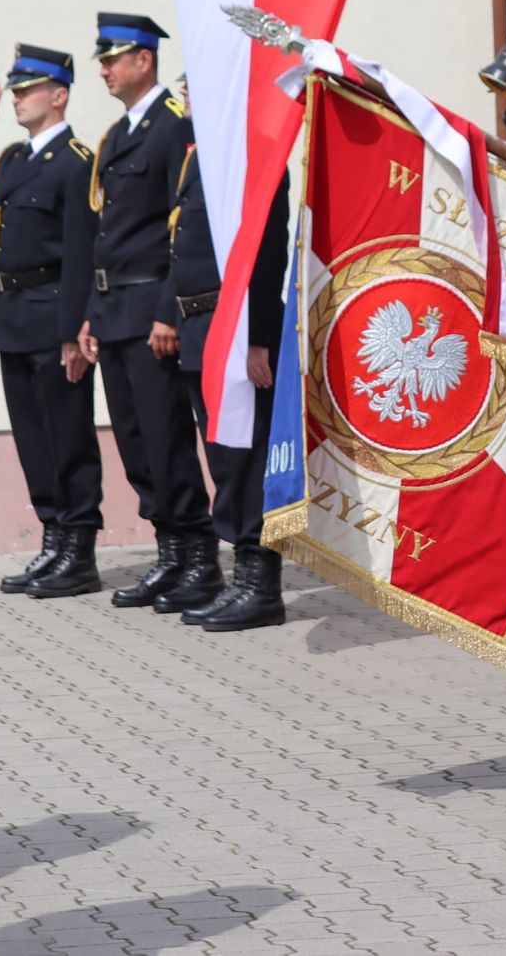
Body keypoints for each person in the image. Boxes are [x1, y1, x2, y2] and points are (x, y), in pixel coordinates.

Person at [0, 45, 103, 599]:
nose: (17, 97)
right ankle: (53, 539)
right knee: (34, 438)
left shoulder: (77, 161)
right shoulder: (14, 160)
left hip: (55, 314)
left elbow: (81, 253)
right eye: (15, 89)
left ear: (58, 95)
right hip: (13, 316)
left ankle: (79, 549)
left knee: (68, 435)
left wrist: (74, 331)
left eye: (28, 89)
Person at [75, 12, 216, 611]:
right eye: (103, 60)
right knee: (134, 440)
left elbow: (179, 229)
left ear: (144, 60)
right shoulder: (118, 134)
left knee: (165, 438)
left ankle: (199, 557)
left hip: (151, 306)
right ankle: (169, 550)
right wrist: (91, 311)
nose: (104, 70)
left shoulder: (171, 126)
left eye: (112, 59)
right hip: (114, 308)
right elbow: (107, 233)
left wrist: (168, 311)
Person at [159, 79, 292, 631]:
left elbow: (268, 245)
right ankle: (241, 576)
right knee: (222, 456)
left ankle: (262, 585)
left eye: (193, 82)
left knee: (247, 457)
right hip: (202, 326)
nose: (183, 91)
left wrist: (258, 337)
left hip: (239, 328)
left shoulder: (254, 153)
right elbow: (181, 246)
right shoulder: (202, 154)